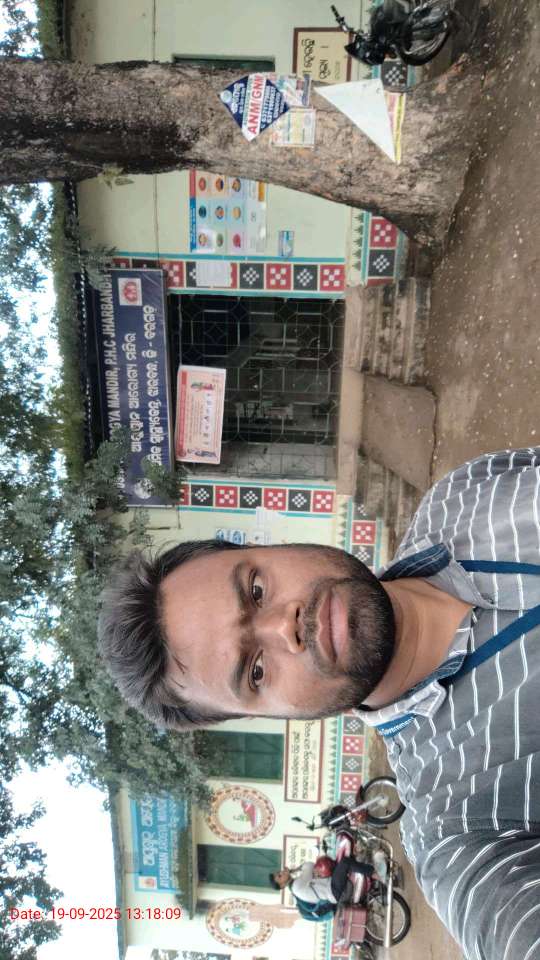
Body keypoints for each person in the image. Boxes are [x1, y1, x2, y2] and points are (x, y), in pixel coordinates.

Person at [98, 448, 540, 960]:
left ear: (271, 546)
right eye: (255, 671)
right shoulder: (458, 833)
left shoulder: (465, 492)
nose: (283, 627)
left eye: (256, 589)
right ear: (266, 717)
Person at [270, 857, 374, 921]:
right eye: (280, 876)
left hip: (331, 889)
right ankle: (376, 874)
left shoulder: (295, 887)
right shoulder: (296, 886)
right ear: (282, 886)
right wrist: (293, 870)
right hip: (333, 890)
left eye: (279, 872)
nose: (282, 872)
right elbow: (309, 866)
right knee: (345, 862)